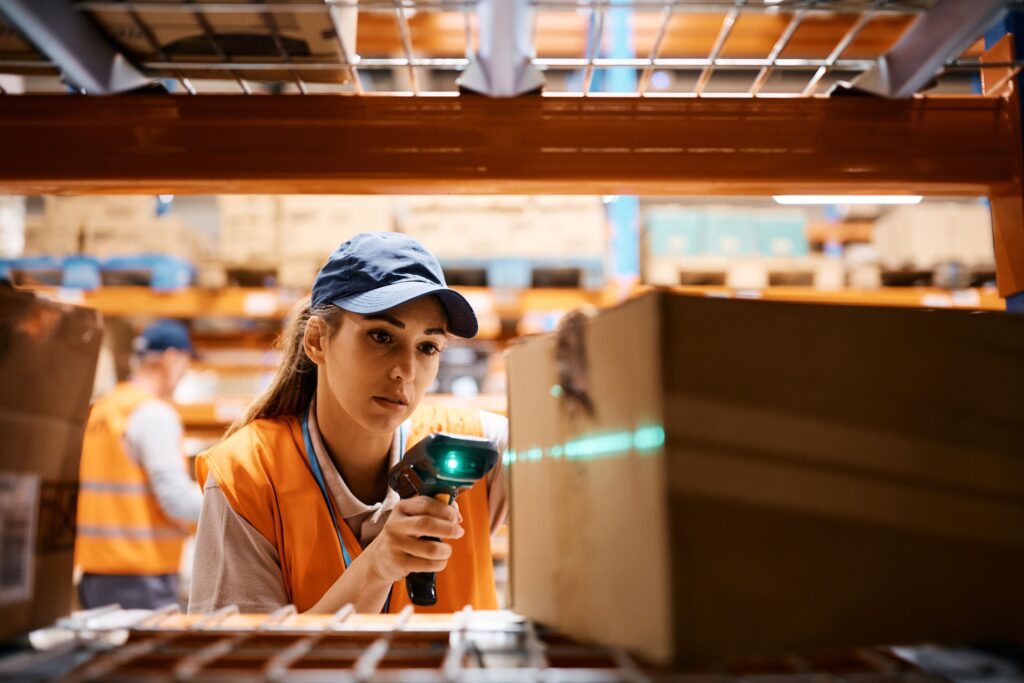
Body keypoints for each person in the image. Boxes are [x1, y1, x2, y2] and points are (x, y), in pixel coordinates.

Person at [188, 232, 508, 614]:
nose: (406, 371)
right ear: (317, 341)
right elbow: (240, 666)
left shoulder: (481, 447)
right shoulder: (246, 477)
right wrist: (376, 567)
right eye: (380, 336)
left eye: (427, 347)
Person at [75, 319, 202, 609]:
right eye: (185, 363)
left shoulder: (104, 409)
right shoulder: (153, 413)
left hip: (96, 574)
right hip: (140, 577)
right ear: (171, 359)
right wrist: (237, 507)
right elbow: (176, 501)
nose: (184, 375)